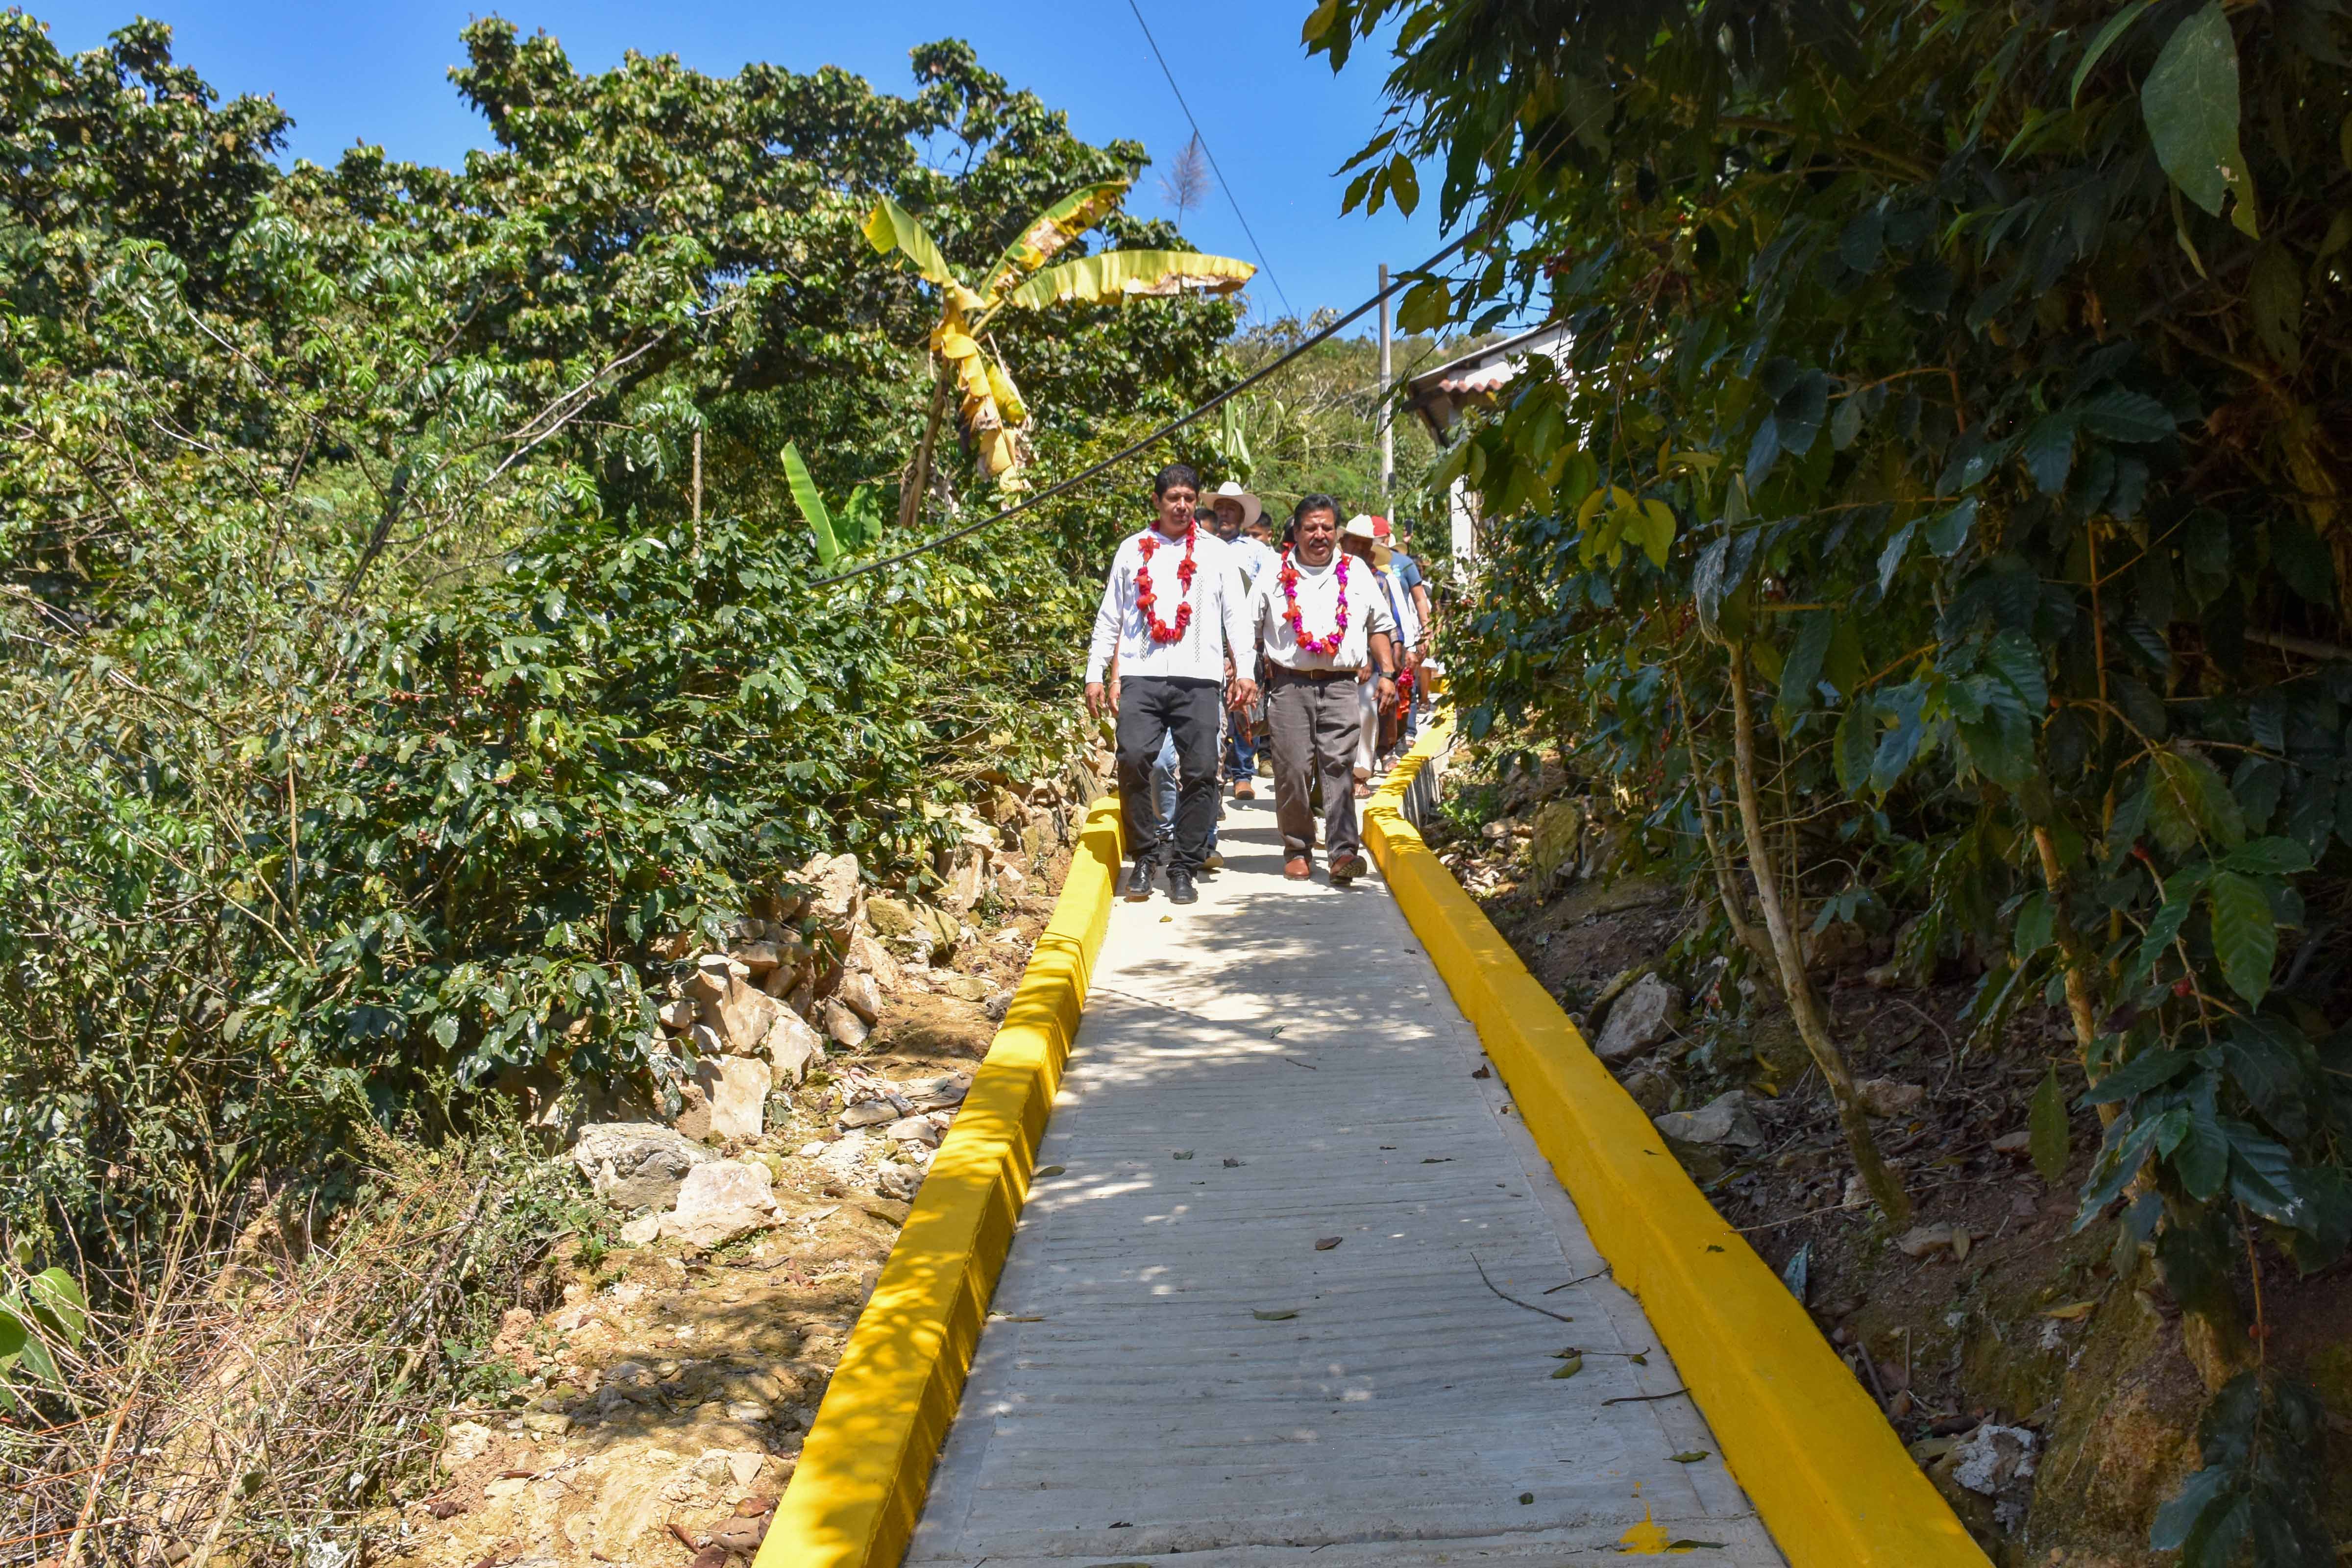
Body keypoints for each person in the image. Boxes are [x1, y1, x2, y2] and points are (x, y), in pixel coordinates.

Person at [1085, 464, 1255, 904]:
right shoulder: (1132, 551)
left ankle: (1184, 865)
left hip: (1199, 680)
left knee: (1201, 772)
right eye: (1173, 498)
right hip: (1142, 675)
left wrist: (1248, 670)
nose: (1182, 505)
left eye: (1189, 498)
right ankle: (1144, 856)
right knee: (1135, 758)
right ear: (1157, 502)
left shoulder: (1218, 553)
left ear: (1197, 502)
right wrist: (1096, 671)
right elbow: (1112, 616)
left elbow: (1236, 618)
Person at [1250, 495, 1399, 885]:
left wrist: (1387, 673)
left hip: (1341, 686)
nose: (1320, 535)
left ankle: (1342, 852)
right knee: (1293, 769)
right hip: (1289, 685)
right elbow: (1249, 629)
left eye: (1328, 528)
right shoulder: (1273, 572)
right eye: (1311, 528)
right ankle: (1298, 849)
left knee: (1339, 767)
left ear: (1337, 531)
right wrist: (1243, 677)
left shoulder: (1358, 572)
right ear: (1296, 532)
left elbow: (1378, 625)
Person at [1206, 481, 1274, 798]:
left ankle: (1243, 773)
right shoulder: (1200, 546)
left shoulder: (1259, 553)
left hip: (1246, 640)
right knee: (1214, 716)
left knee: (1244, 708)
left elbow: (1270, 596)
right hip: (1208, 641)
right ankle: (1215, 781)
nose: (1224, 515)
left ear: (1242, 515)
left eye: (1230, 509)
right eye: (1220, 508)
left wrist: (1253, 649)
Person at [1341, 515, 1419, 787]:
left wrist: (1386, 661)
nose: (1360, 551)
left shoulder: (1381, 581)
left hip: (1369, 662)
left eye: (1366, 546)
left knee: (1367, 713)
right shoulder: (1328, 575)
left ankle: (1360, 773)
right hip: (1332, 660)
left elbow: (1387, 623)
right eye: (1355, 545)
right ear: (1343, 543)